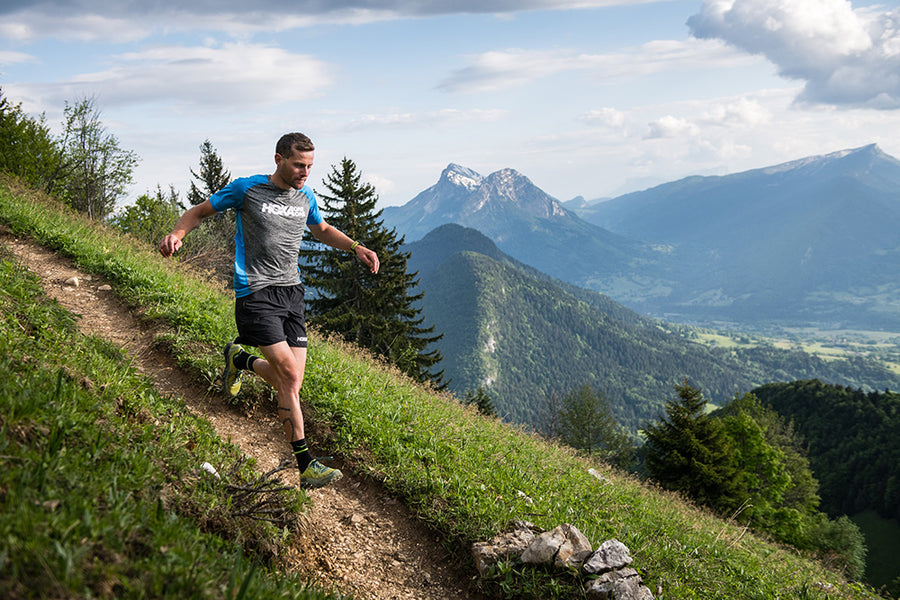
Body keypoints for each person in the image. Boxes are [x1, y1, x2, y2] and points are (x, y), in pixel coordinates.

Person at [159, 132, 379, 489]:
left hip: (292, 294)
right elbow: (199, 212)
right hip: (255, 293)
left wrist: (356, 247)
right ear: (278, 159)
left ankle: (240, 360)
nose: (304, 172)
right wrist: (177, 234)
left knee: (290, 381)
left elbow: (321, 229)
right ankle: (306, 464)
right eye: (297, 164)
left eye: (309, 166)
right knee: (290, 378)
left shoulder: (305, 195)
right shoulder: (247, 189)